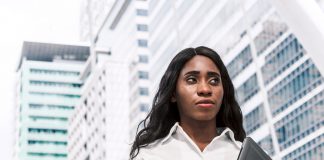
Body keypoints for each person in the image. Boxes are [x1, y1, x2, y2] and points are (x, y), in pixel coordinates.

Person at [130, 46, 246, 160]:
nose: (205, 89)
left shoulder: (246, 153)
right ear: (173, 93)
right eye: (192, 80)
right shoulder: (148, 155)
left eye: (214, 81)